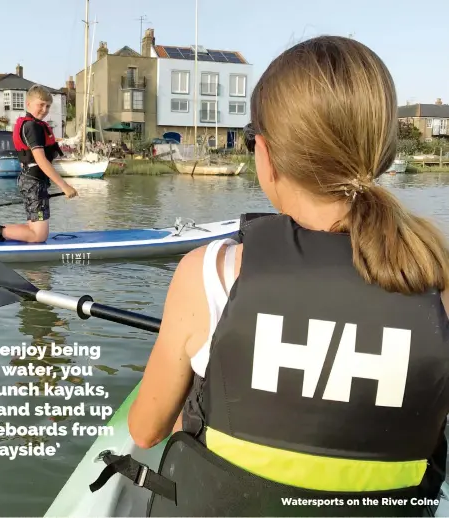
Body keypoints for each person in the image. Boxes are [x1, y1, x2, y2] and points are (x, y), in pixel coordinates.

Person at [122, 36, 449, 516]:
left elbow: (145, 430)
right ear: (381, 151)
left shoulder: (210, 274)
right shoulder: (437, 278)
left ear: (266, 156)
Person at [0, 85, 78, 243]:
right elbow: (41, 160)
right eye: (41, 104)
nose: (44, 109)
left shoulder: (33, 125)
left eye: (48, 106)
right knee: (38, 236)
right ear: (28, 104)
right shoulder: (32, 127)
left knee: (36, 231)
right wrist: (64, 185)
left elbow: (28, 157)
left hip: (33, 181)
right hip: (34, 183)